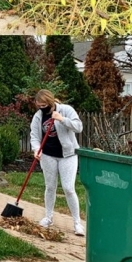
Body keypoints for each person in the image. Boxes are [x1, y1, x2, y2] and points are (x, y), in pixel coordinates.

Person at [29, 89, 85, 236]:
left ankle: (77, 223)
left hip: (68, 155)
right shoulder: (38, 116)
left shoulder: (66, 110)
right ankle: (48, 217)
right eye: (39, 105)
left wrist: (62, 119)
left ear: (50, 102)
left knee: (68, 188)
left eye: (44, 105)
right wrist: (36, 149)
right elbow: (34, 136)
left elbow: (79, 127)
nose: (42, 108)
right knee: (50, 186)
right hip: (48, 155)